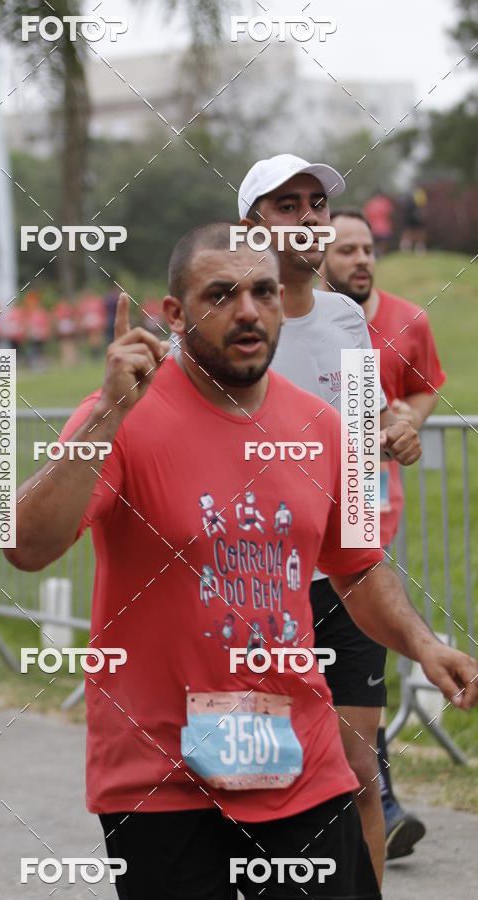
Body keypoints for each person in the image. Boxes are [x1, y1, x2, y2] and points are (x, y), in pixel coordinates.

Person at [6, 223, 477, 900]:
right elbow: (26, 545)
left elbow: (357, 566)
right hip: (163, 777)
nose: (248, 310)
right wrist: (107, 414)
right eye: (221, 294)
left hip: (298, 759)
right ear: (174, 314)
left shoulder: (320, 428)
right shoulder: (125, 415)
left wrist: (423, 644)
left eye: (263, 291)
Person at [238, 153, 421, 886]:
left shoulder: (346, 318)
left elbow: (364, 422)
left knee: (359, 776)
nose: (309, 218)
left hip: (344, 580)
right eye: (289, 206)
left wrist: (395, 425)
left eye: (317, 204)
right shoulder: (236, 317)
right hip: (252, 584)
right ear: (251, 224)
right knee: (253, 779)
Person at [320, 207, 447, 859]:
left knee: (361, 660)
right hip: (295, 542)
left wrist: (408, 418)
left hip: (370, 521)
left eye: (367, 248)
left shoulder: (406, 321)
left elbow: (427, 389)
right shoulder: (300, 327)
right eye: (346, 250)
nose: (361, 260)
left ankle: (375, 798)